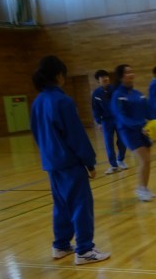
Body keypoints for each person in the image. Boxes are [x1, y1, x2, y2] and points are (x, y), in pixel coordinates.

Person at [30, 55, 110, 265]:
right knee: (81, 205)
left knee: (61, 205)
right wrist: (89, 162)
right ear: (59, 75)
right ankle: (84, 250)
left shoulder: (37, 102)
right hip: (69, 163)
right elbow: (75, 135)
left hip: (51, 162)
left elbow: (37, 134)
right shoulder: (63, 101)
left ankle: (61, 245)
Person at [111, 64, 156, 201]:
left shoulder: (138, 94)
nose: (131, 74)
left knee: (147, 161)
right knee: (144, 160)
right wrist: (137, 126)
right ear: (121, 77)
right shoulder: (118, 96)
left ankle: (143, 188)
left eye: (132, 71)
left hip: (144, 130)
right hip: (129, 132)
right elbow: (121, 117)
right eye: (127, 72)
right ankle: (141, 189)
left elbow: (150, 111)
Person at [91, 69, 128, 174]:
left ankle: (120, 160)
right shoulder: (96, 94)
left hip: (118, 119)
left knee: (122, 140)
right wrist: (98, 122)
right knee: (108, 143)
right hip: (106, 121)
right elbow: (95, 109)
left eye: (106, 76)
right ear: (98, 81)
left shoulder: (116, 89)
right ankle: (113, 165)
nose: (105, 79)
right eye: (102, 77)